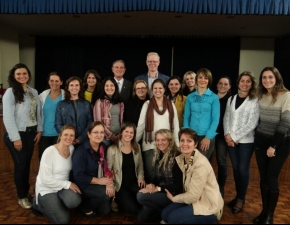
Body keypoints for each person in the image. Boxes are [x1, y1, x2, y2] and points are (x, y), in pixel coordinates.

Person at [161, 128, 224, 224]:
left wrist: (174, 199)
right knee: (164, 214)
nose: (184, 144)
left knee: (172, 218)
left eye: (189, 141)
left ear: (195, 144)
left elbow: (193, 196)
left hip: (208, 206)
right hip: (194, 201)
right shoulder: (182, 158)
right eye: (182, 140)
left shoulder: (200, 164)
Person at [253, 67, 290, 224]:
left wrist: (273, 145)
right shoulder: (261, 95)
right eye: (264, 77)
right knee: (263, 179)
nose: (267, 80)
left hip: (280, 143)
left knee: (271, 177)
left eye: (270, 77)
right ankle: (263, 211)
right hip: (261, 141)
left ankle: (269, 215)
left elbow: (286, 122)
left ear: (277, 78)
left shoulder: (286, 95)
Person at [3, 63, 43, 209]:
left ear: (28, 75)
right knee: (21, 166)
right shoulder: (10, 92)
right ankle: (21, 197)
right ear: (13, 76)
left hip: (31, 133)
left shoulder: (33, 91)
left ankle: (26, 193)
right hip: (17, 134)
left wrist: (39, 130)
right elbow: (7, 117)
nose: (22, 76)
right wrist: (15, 138)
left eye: (24, 73)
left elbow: (39, 113)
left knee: (25, 165)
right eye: (18, 74)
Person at [223, 71, 259, 214]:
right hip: (230, 141)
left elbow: (253, 123)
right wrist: (227, 135)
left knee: (243, 170)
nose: (245, 83)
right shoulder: (231, 99)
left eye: (248, 81)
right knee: (236, 170)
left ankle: (241, 199)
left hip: (246, 142)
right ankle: (238, 196)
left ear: (251, 84)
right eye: (242, 81)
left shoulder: (255, 100)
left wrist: (234, 137)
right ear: (238, 83)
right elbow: (226, 117)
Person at [32, 124, 82, 224]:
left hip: (62, 187)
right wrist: (68, 184)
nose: (69, 138)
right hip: (46, 189)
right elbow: (46, 180)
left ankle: (55, 204)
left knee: (75, 201)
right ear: (60, 135)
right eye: (66, 134)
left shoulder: (72, 149)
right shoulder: (49, 151)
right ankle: (37, 204)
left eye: (72, 135)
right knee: (63, 220)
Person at [136, 79, 180, 183]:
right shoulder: (147, 104)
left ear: (164, 89)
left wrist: (177, 145)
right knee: (151, 174)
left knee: (165, 174)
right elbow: (141, 125)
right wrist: (133, 142)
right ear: (152, 90)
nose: (158, 90)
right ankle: (150, 197)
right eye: (155, 88)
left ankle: (161, 195)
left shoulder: (170, 104)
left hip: (167, 145)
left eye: (160, 88)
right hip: (150, 144)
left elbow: (175, 125)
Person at [136, 129, 183, 223]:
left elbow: (179, 186)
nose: (160, 143)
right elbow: (158, 177)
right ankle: (165, 211)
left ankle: (170, 211)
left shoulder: (177, 156)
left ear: (170, 141)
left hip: (173, 195)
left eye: (163, 140)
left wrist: (157, 189)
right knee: (142, 218)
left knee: (141, 196)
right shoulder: (159, 154)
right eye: (157, 140)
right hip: (161, 191)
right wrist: (151, 184)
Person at [72, 121, 114, 218]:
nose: (99, 135)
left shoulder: (103, 147)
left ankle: (93, 200)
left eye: (101, 132)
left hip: (98, 182)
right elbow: (78, 176)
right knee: (106, 195)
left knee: (105, 210)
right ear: (89, 134)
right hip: (84, 184)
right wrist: (99, 181)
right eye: (96, 132)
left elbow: (107, 167)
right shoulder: (81, 151)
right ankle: (84, 207)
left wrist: (108, 182)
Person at [107, 121, 145, 214]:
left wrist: (141, 178)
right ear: (121, 133)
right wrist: (111, 185)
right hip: (120, 185)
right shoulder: (112, 149)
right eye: (126, 131)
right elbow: (107, 170)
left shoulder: (137, 147)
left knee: (144, 201)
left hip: (133, 183)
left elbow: (140, 165)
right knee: (133, 209)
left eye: (131, 132)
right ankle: (115, 200)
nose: (129, 134)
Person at [183, 68, 220, 160]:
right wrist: (187, 134)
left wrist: (208, 137)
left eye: (206, 78)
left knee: (201, 165)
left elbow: (215, 119)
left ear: (209, 80)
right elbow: (186, 116)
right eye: (200, 77)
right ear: (196, 79)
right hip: (191, 135)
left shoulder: (214, 97)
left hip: (206, 137)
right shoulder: (190, 97)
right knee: (190, 162)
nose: (203, 80)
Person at [55, 76, 92, 146]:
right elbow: (57, 124)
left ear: (80, 87)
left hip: (83, 141)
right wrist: (67, 137)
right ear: (68, 88)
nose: (74, 87)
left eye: (77, 85)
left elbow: (89, 122)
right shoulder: (61, 104)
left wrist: (81, 138)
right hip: (66, 141)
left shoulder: (86, 104)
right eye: (71, 85)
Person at [38, 71, 65, 161]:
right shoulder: (42, 95)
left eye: (57, 81)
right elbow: (37, 114)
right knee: (44, 160)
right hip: (44, 134)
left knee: (58, 160)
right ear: (48, 82)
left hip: (59, 134)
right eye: (52, 81)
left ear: (61, 82)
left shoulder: (66, 96)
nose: (54, 83)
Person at [93, 76, 124, 147]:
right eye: (106, 86)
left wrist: (119, 135)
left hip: (119, 137)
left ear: (115, 87)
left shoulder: (120, 102)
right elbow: (98, 122)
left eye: (111, 85)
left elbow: (122, 121)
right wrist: (111, 135)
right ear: (103, 88)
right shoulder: (99, 102)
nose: (109, 88)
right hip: (105, 138)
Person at [214, 76, 231, 197]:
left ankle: (220, 188)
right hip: (208, 134)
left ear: (229, 87)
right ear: (217, 85)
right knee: (205, 161)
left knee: (221, 161)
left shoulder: (231, 100)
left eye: (225, 84)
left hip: (222, 136)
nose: (222, 86)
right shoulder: (211, 98)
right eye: (220, 83)